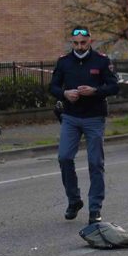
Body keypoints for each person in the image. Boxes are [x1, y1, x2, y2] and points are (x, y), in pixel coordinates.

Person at [50, 26, 119, 225]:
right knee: (64, 158)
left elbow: (114, 86)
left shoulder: (101, 61)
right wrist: (64, 94)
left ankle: (95, 208)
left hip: (94, 118)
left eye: (83, 42)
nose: (79, 46)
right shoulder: (64, 62)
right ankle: (74, 200)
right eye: (76, 43)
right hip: (70, 117)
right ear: (71, 42)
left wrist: (95, 91)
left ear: (90, 41)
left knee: (95, 163)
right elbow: (53, 86)